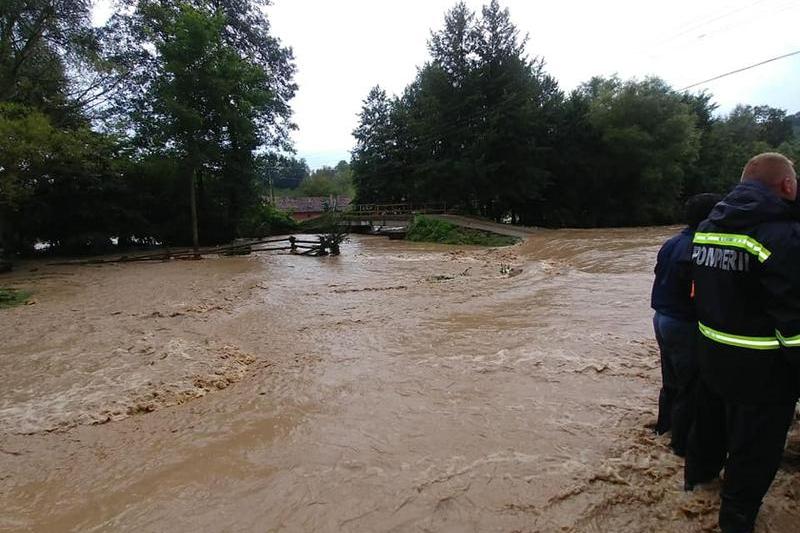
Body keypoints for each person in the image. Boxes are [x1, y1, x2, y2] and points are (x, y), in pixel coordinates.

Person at [685, 152, 800, 533]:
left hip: (711, 356)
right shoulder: (780, 235)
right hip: (762, 370)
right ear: (787, 185)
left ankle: (694, 489)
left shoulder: (709, 225)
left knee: (710, 431)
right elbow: (793, 318)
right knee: (754, 453)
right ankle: (734, 521)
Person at [650, 193, 722, 456]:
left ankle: (662, 429)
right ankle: (679, 447)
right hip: (683, 323)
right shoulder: (699, 248)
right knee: (690, 387)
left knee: (670, 381)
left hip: (662, 317)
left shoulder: (672, 243)